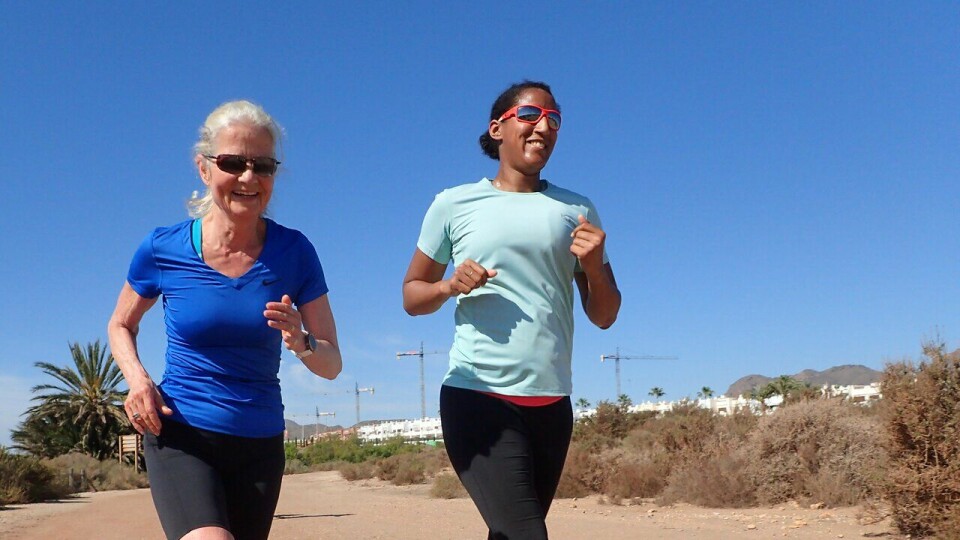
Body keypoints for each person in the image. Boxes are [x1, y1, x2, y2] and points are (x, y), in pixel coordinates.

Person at [107, 100, 342, 540]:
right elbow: (121, 324)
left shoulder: (296, 253)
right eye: (233, 163)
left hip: (259, 443)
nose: (249, 178)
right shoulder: (163, 248)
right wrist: (137, 379)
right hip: (181, 431)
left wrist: (302, 341)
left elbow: (332, 363)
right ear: (204, 168)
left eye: (264, 166)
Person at [402, 81, 621, 539]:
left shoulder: (577, 209)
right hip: (478, 396)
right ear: (497, 127)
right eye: (530, 114)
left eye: (554, 119)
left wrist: (595, 267)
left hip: (552, 403)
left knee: (510, 534)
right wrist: (448, 285)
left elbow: (604, 315)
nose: (544, 125)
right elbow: (411, 295)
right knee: (525, 534)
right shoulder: (453, 203)